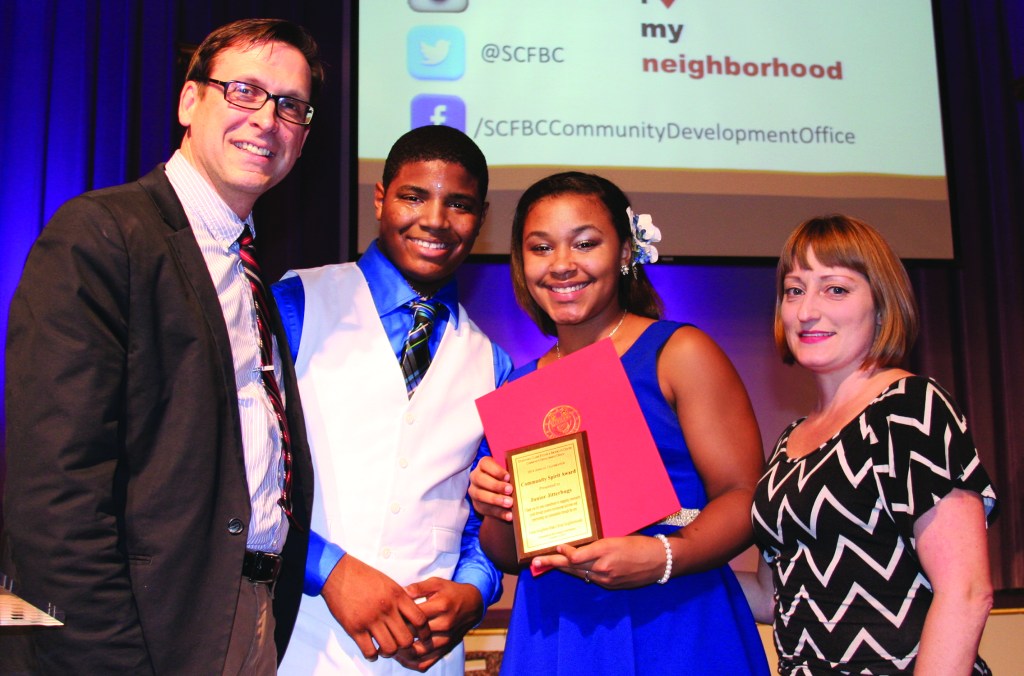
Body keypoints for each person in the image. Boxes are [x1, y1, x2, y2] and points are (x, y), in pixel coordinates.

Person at [1, 18, 320, 674]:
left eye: (290, 105)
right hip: (136, 636)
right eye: (244, 91)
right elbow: (55, 497)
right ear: (188, 102)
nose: (267, 119)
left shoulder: (250, 265)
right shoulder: (102, 237)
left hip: (245, 616)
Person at [469, 171, 770, 675]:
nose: (562, 265)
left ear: (626, 251)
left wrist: (663, 557)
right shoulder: (517, 388)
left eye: (585, 243)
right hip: (557, 632)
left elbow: (744, 494)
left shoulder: (679, 353)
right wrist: (495, 505)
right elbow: (508, 556)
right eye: (541, 248)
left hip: (674, 616)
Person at [271, 124, 510, 675]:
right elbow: (239, 475)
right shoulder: (297, 303)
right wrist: (327, 569)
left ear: (481, 217)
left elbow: (484, 517)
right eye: (413, 196)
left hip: (424, 654)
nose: (435, 220)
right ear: (380, 199)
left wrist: (473, 594)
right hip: (297, 634)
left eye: (459, 204)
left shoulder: (492, 362)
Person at [740, 214, 998, 674]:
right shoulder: (789, 443)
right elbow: (773, 596)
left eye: (835, 289)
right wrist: (666, 557)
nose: (806, 310)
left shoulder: (910, 408)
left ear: (882, 304)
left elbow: (966, 591)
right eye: (794, 290)